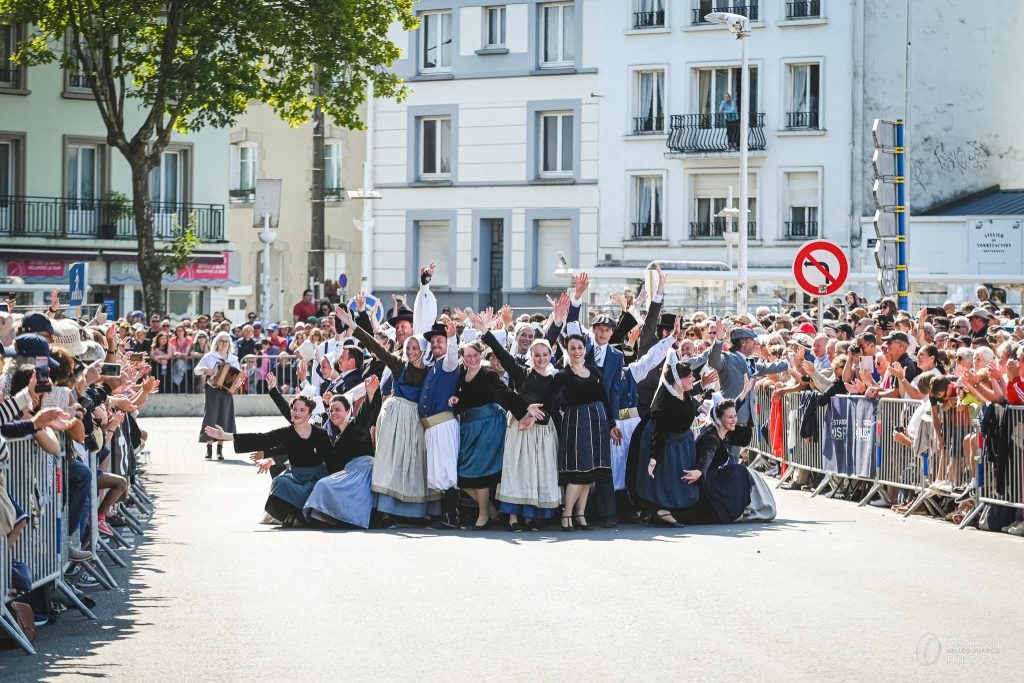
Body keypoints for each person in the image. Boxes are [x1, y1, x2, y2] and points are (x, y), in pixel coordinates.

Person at [335, 305, 441, 522]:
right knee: (391, 462)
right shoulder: (399, 364)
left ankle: (415, 512)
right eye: (408, 348)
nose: (410, 352)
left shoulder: (430, 370)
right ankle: (386, 510)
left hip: (415, 420)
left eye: (415, 348)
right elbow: (375, 346)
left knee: (413, 463)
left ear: (423, 350)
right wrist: (352, 324)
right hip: (394, 418)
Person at [204, 395, 337, 525]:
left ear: (309, 414)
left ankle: (304, 516)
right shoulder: (286, 432)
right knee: (280, 483)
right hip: (295, 477)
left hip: (316, 477)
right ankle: (292, 515)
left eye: (302, 410)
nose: (297, 413)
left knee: (320, 488)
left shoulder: (320, 434)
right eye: (294, 409)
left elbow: (331, 460)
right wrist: (226, 436)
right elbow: (262, 438)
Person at [449, 339, 529, 530]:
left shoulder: (488, 374)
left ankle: (483, 516)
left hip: (489, 426)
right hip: (469, 428)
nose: (472, 359)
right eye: (468, 356)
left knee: (480, 472)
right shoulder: (461, 376)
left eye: (475, 355)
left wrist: (525, 411)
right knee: (461, 475)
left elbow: (506, 393)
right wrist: (455, 400)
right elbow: (464, 400)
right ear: (463, 357)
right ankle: (492, 511)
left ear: (481, 355)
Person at [554, 334, 622, 531]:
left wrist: (612, 424)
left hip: (597, 423)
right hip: (576, 424)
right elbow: (553, 401)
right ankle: (567, 514)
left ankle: (580, 514)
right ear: (567, 351)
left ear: (585, 349)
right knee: (578, 472)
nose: (577, 351)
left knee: (590, 473)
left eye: (580, 347)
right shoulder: (562, 375)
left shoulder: (594, 371)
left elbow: (605, 399)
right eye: (572, 348)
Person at [675, 398, 777, 524]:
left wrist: (744, 395)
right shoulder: (711, 436)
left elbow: (742, 433)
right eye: (730, 417)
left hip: (714, 475)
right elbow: (707, 455)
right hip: (708, 482)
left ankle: (751, 508)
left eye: (735, 416)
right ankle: (737, 511)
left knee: (749, 473)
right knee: (740, 471)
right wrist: (699, 471)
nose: (734, 420)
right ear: (718, 419)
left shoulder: (725, 431)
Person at [637, 354, 709, 527]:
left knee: (678, 479)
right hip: (667, 445)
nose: (693, 378)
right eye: (689, 376)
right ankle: (661, 510)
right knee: (665, 478)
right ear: (678, 380)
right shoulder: (664, 403)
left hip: (681, 442)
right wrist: (654, 458)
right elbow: (660, 432)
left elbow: (688, 403)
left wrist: (700, 408)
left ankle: (674, 509)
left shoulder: (682, 392)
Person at [303, 386, 379, 528]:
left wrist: (369, 395)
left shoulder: (357, 425)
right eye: (331, 410)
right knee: (322, 483)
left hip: (365, 474)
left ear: (348, 410)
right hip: (349, 474)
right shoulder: (336, 441)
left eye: (337, 409)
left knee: (323, 485)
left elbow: (365, 413)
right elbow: (333, 466)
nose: (333, 413)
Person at [194, 331, 243, 459]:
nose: (224, 343)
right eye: (221, 341)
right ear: (216, 343)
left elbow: (238, 377)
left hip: (226, 392)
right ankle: (209, 447)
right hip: (212, 390)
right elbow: (196, 370)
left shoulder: (233, 359)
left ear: (229, 344)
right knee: (211, 416)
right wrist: (205, 370)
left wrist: (237, 383)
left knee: (224, 416)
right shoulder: (210, 357)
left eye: (226, 341)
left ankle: (220, 449)